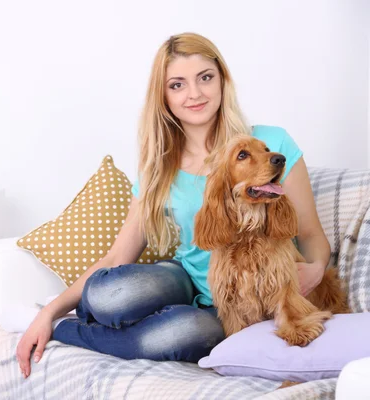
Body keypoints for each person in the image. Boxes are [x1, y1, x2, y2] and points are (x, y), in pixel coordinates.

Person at [16, 32, 331, 378]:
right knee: (111, 293)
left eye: (205, 78)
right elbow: (116, 259)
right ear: (163, 96)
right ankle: (63, 317)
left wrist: (315, 269)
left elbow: (311, 234)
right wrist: (47, 313)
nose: (194, 94)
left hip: (225, 308)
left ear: (223, 81)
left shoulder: (272, 143)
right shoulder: (159, 167)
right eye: (177, 85)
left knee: (182, 333)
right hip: (185, 280)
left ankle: (72, 332)